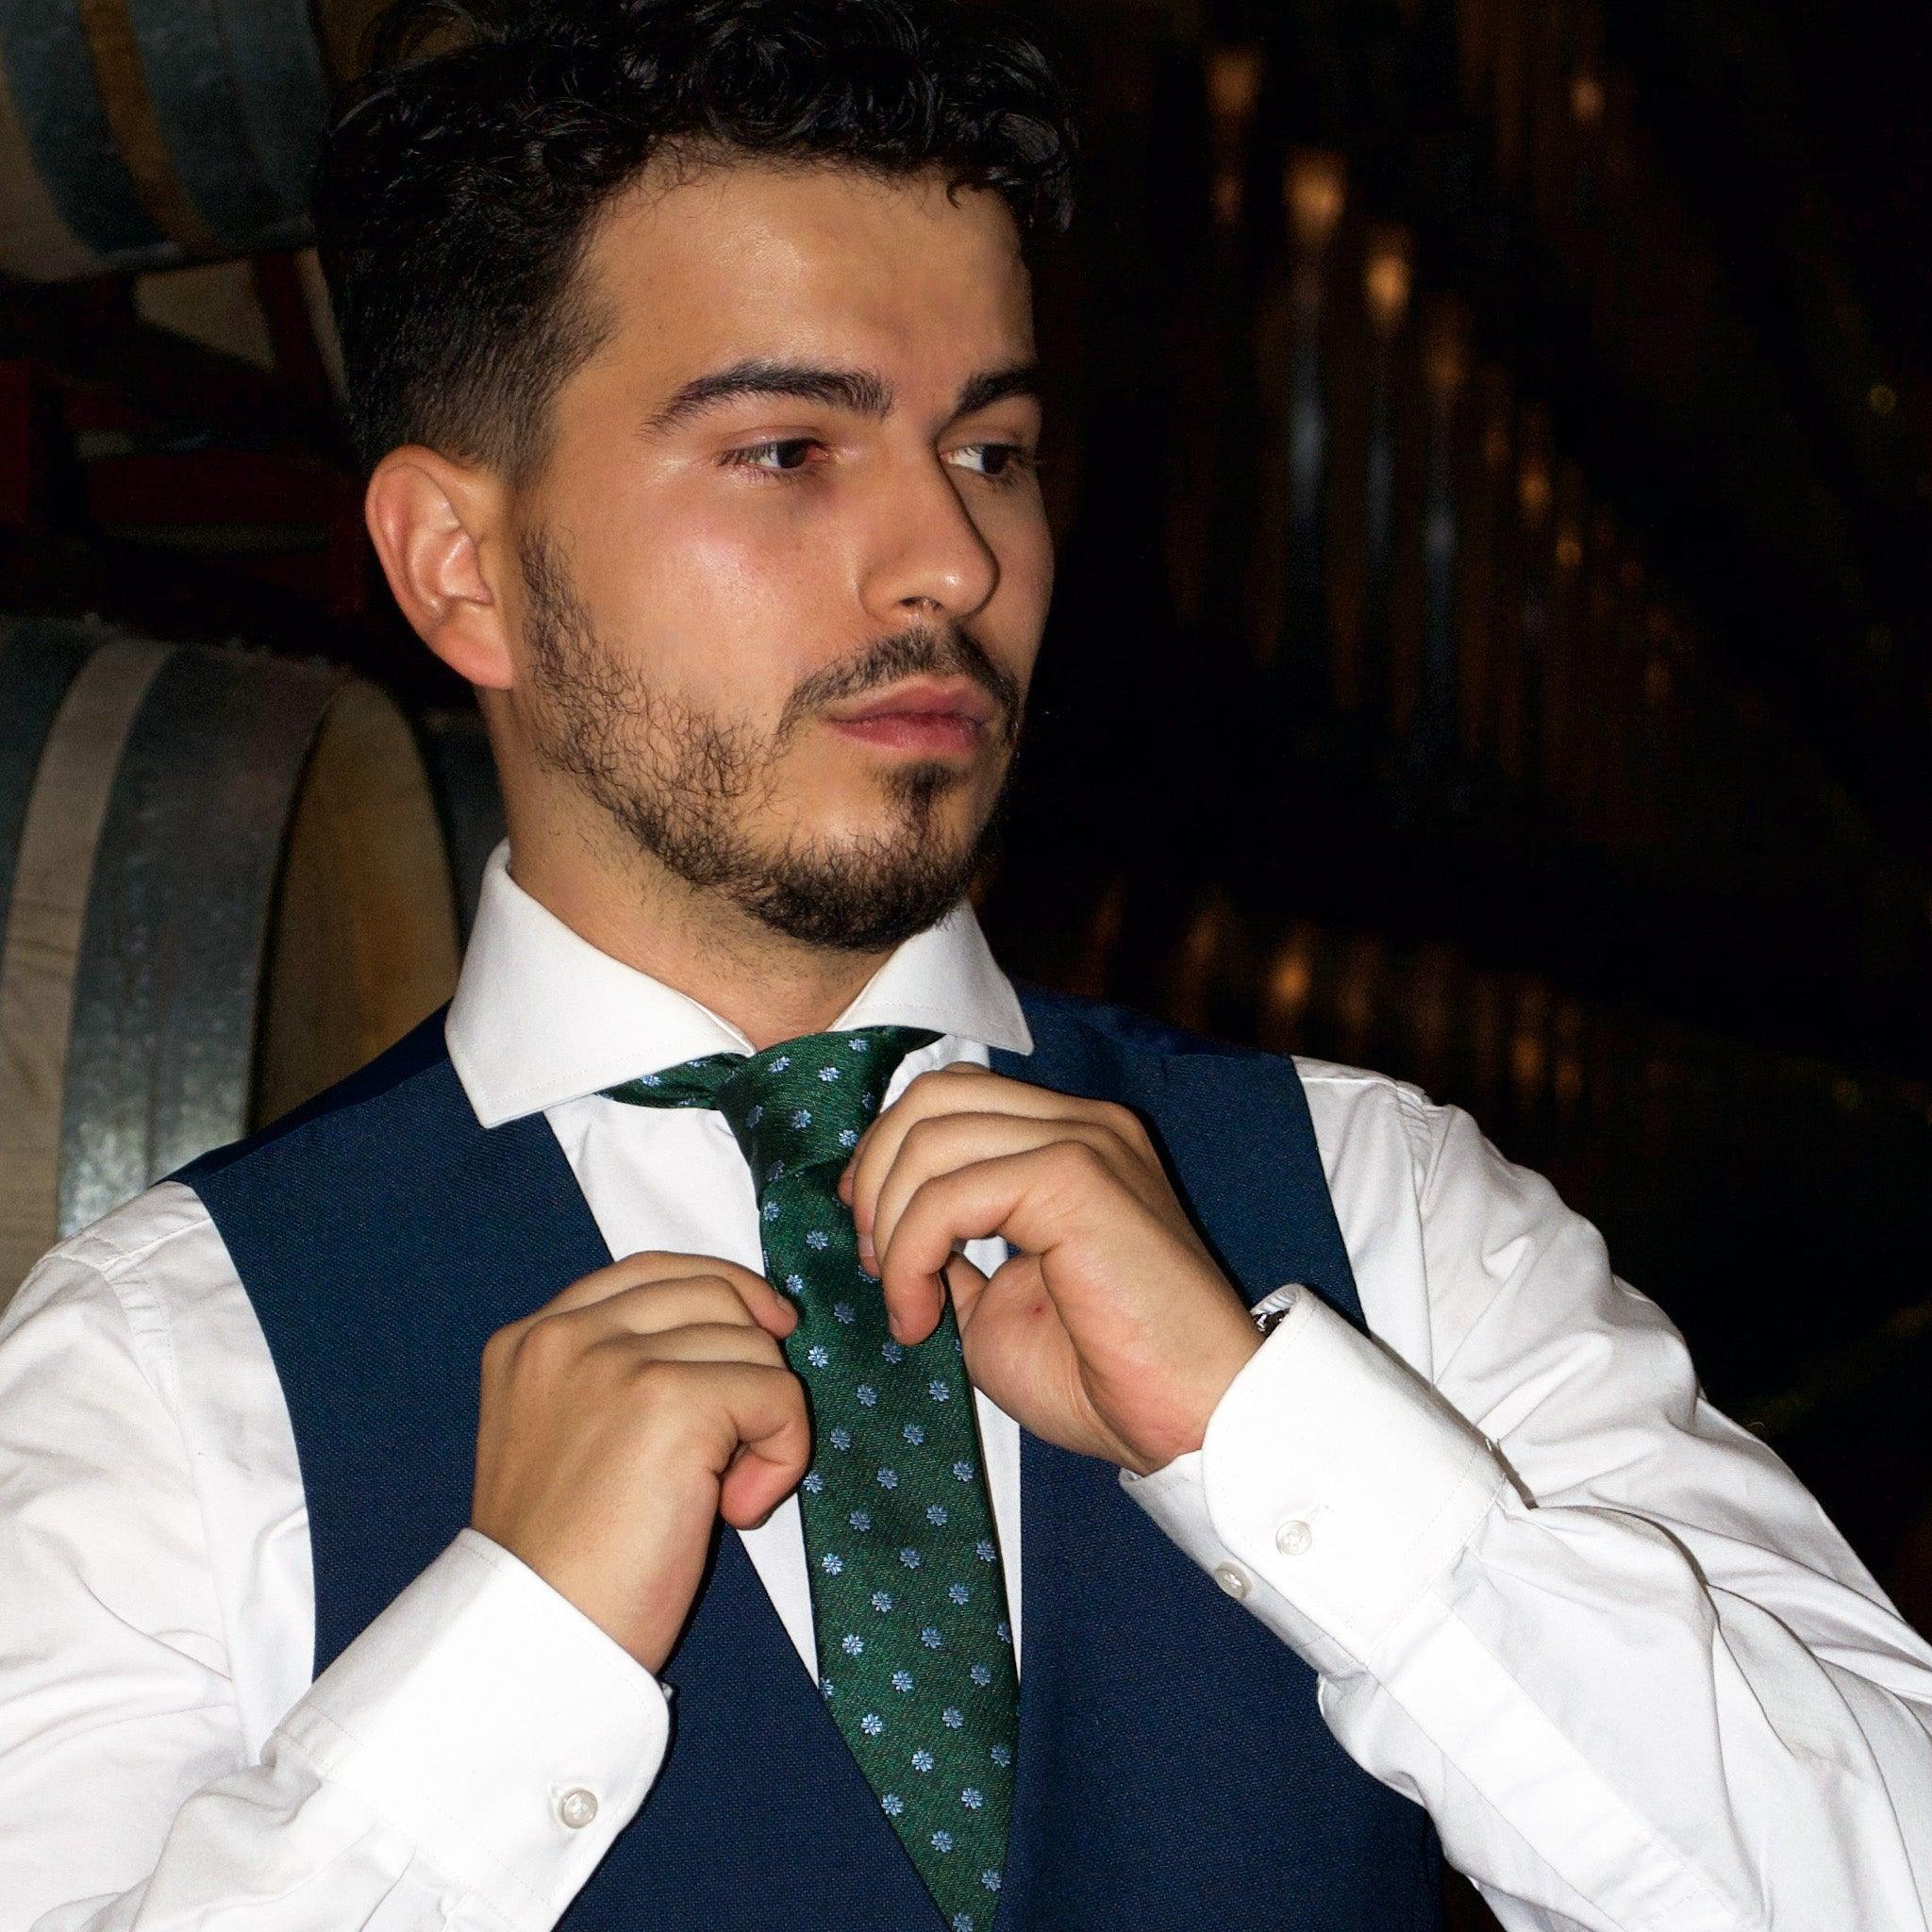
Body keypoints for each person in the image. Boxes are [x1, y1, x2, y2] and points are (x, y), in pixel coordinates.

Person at [3, 0, 1929, 1926]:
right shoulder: (163, 1361)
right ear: (459, 564)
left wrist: (1277, 1443)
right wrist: (508, 1656)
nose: (951, 559)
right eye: (786, 449)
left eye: (990, 448)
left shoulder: (1379, 1206)